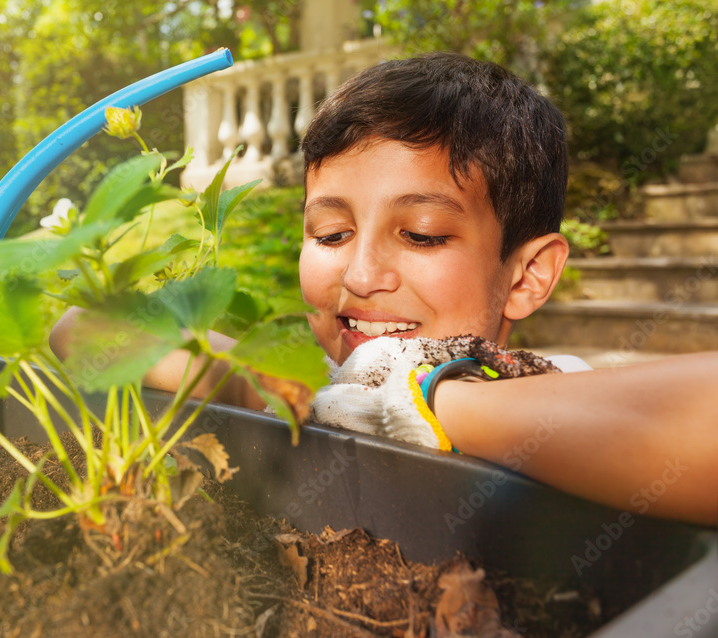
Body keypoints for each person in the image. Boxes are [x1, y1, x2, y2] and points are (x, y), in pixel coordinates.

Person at [51, 53, 717, 526]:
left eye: (423, 235)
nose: (362, 275)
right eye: (331, 234)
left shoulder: (559, 391)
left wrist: (422, 399)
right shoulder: (325, 378)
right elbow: (77, 328)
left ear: (527, 275)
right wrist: (270, 381)